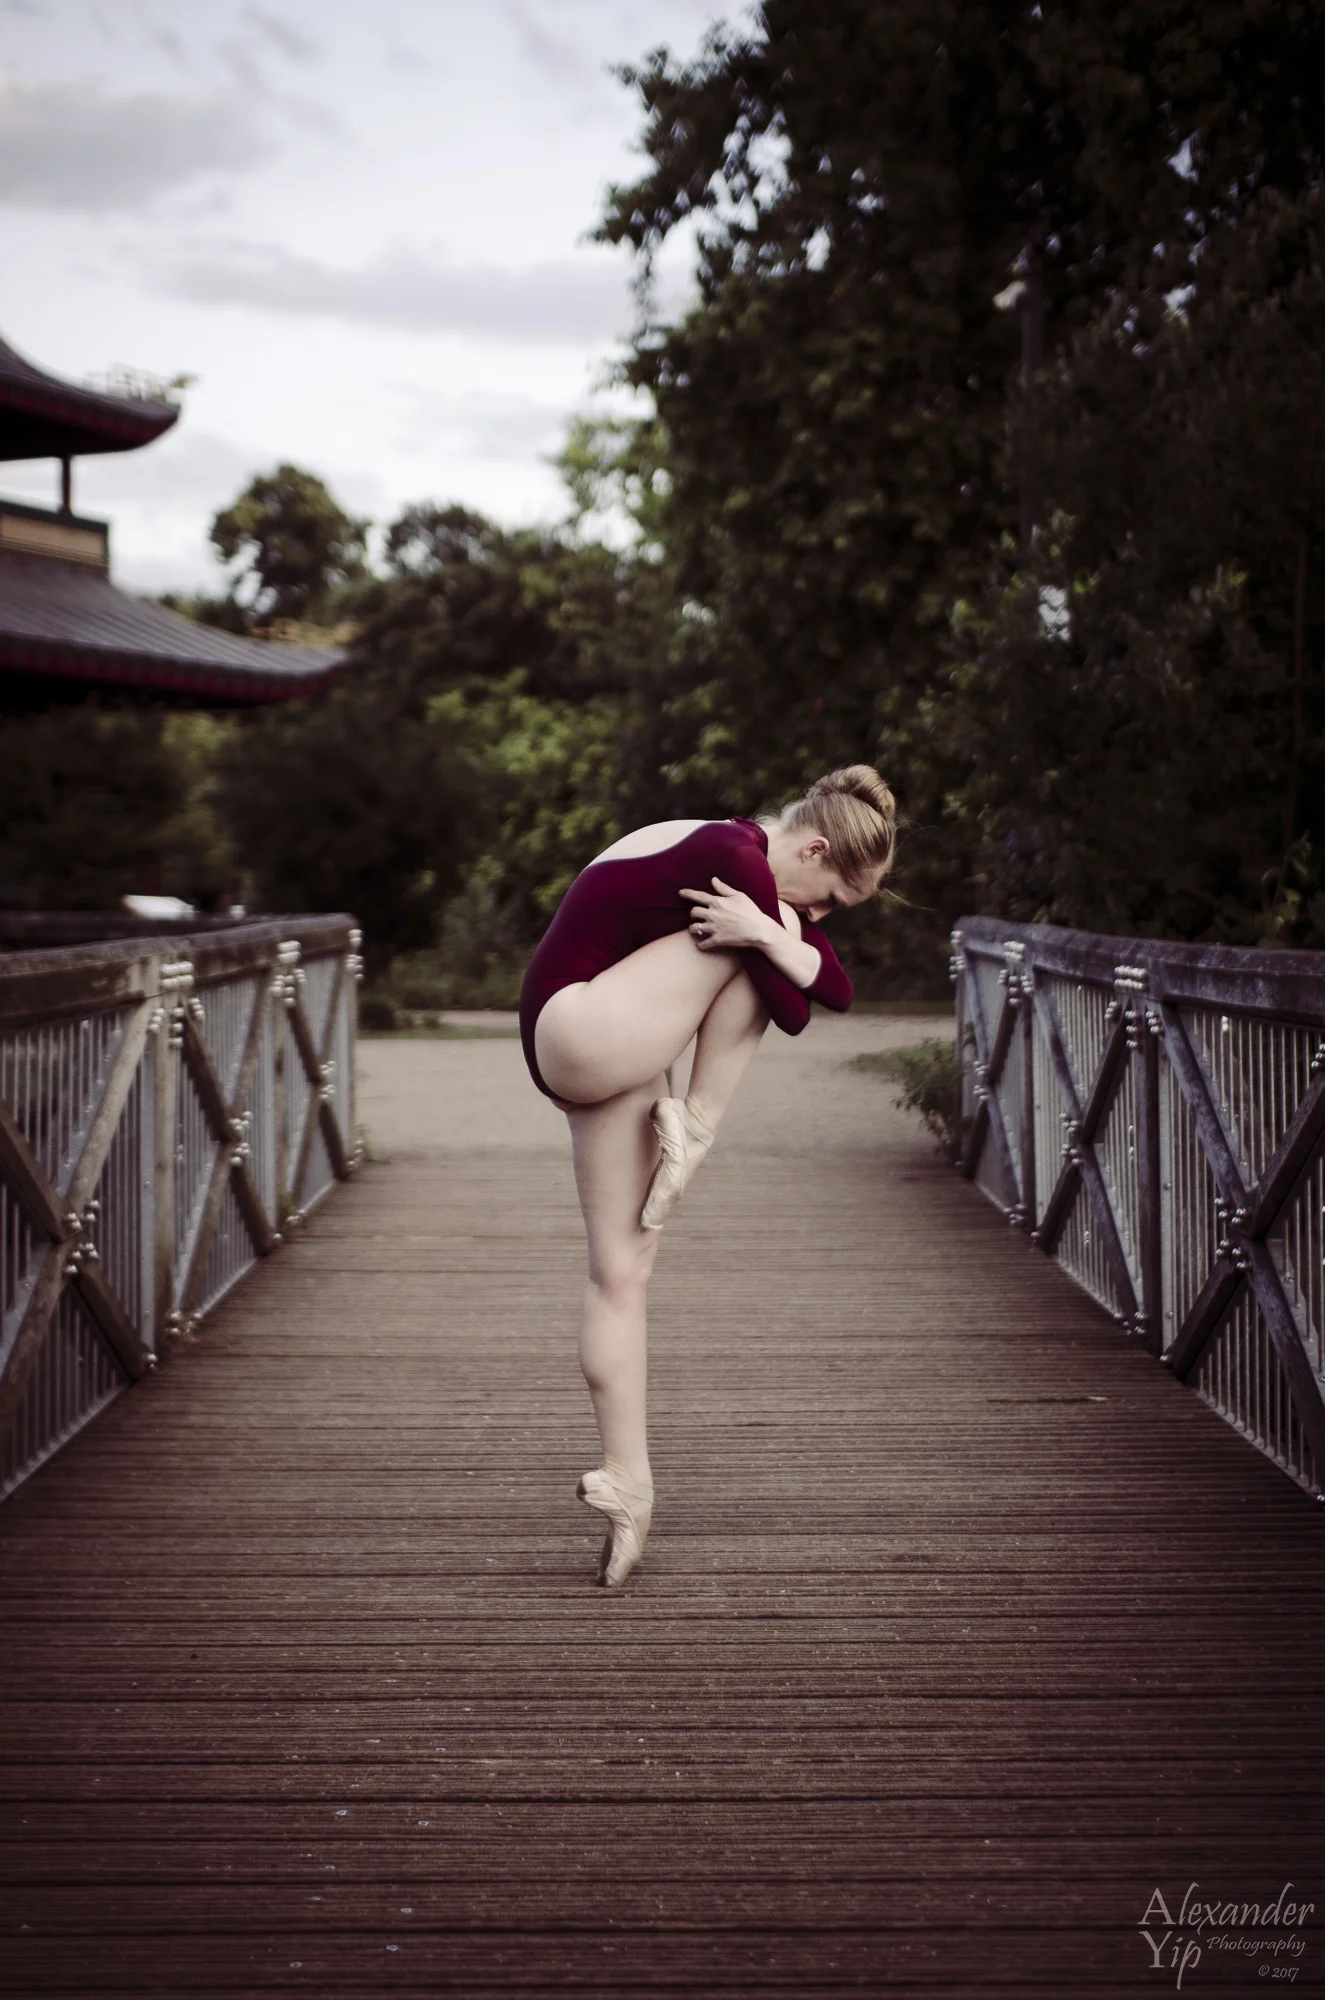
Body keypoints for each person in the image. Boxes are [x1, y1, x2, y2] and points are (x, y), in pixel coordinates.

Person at [518, 766, 898, 1587]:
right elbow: (802, 1003)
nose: (818, 915)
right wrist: (771, 935)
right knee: (752, 950)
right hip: (581, 1023)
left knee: (622, 1275)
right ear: (816, 846)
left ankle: (629, 1484)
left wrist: (773, 936)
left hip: (605, 1040)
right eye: (827, 896)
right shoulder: (738, 856)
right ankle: (695, 1124)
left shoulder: (737, 854)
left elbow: (829, 983)